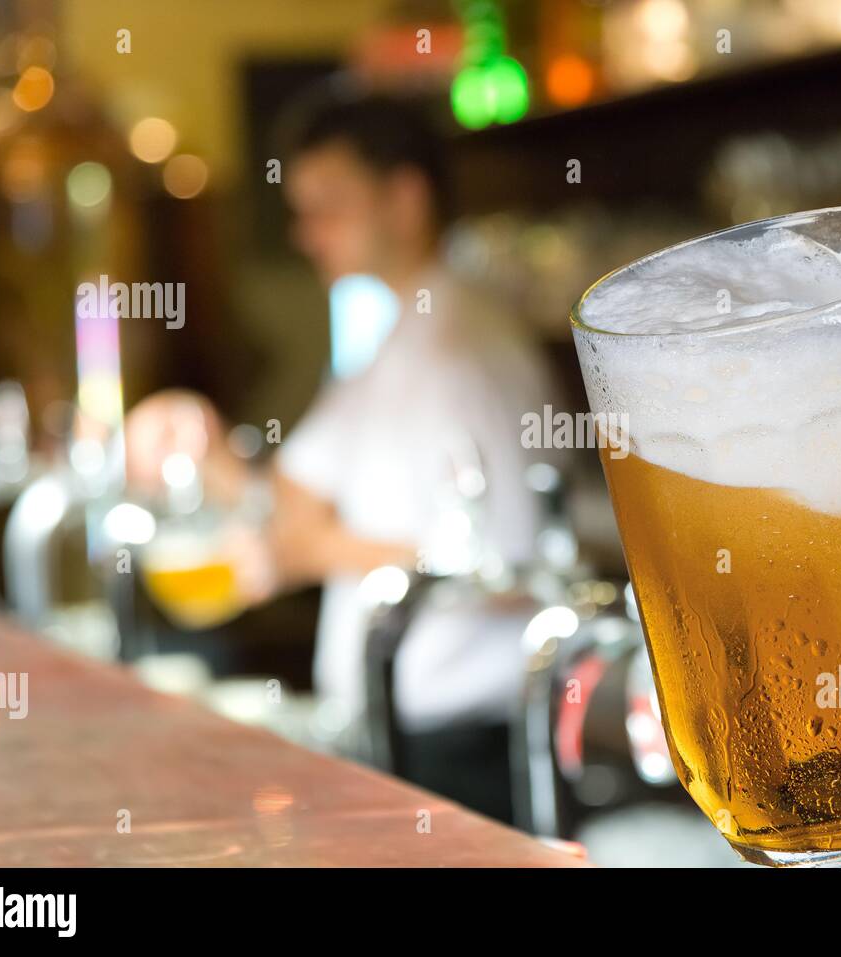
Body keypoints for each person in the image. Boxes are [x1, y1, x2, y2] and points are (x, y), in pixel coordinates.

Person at [125, 87, 556, 822]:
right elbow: (287, 497)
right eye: (301, 210)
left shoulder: (464, 351)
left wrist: (312, 551)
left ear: (404, 199)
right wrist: (197, 435)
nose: (306, 232)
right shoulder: (393, 340)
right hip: (393, 725)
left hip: (465, 740)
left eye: (328, 205)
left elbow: (515, 564)